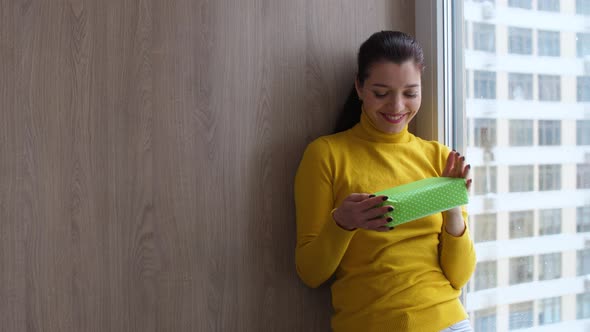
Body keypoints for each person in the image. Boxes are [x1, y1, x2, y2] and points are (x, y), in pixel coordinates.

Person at [294, 31, 476, 332]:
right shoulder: (326, 155)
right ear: (359, 87)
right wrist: (342, 223)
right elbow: (311, 273)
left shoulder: (438, 157)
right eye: (381, 93)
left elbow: (459, 276)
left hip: (447, 321)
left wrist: (453, 209)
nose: (396, 106)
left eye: (410, 93)